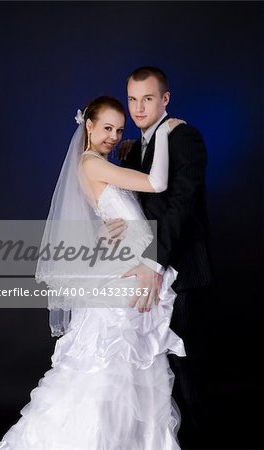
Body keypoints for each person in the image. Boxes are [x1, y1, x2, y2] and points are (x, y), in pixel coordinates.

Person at [0, 96, 186, 450]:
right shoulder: (91, 163)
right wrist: (166, 131)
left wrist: (100, 233)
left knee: (131, 366)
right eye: (106, 127)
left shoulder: (101, 162)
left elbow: (111, 216)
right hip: (123, 277)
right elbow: (156, 183)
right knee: (109, 368)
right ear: (88, 126)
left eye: (119, 129)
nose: (113, 135)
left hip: (132, 268)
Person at [114, 66, 213, 448]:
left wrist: (154, 264)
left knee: (186, 373)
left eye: (148, 99)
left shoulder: (184, 137)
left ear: (165, 100)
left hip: (183, 273)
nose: (138, 108)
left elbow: (180, 207)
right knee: (159, 371)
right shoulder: (132, 147)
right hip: (148, 271)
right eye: (133, 99)